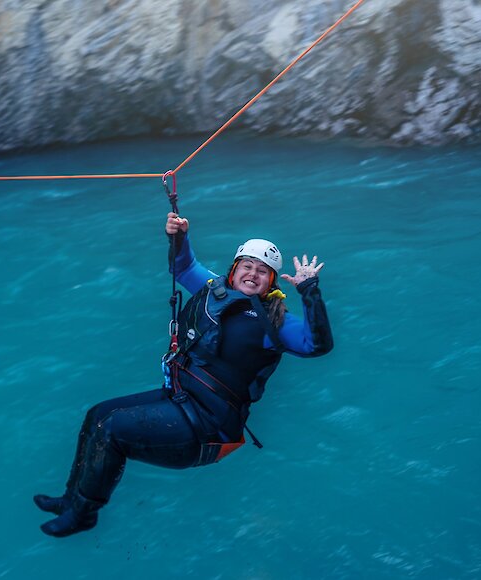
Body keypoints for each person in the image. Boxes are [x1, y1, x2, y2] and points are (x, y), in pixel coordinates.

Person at [33, 211, 333, 537]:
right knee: (97, 414)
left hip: (207, 429)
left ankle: (83, 515)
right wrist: (178, 236)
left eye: (263, 272)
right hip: (180, 398)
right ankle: (71, 500)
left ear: (271, 284)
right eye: (246, 266)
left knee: (111, 429)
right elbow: (183, 266)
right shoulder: (213, 289)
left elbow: (316, 344)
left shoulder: (276, 323)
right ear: (233, 271)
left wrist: (309, 290)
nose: (252, 274)